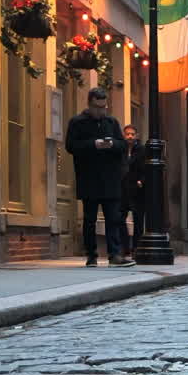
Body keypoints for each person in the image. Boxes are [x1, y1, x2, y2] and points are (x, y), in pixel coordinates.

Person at [65, 88, 133, 267]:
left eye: (104, 107)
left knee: (113, 218)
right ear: (89, 104)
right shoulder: (77, 122)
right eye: (97, 107)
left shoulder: (111, 122)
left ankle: (114, 255)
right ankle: (91, 255)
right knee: (90, 219)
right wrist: (93, 145)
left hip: (110, 178)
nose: (101, 111)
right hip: (89, 177)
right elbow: (71, 146)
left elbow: (122, 145)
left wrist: (111, 145)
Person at [120, 125, 146, 255]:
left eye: (132, 134)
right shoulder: (121, 149)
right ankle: (125, 247)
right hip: (123, 188)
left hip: (137, 189)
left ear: (136, 135)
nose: (130, 136)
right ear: (123, 135)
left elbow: (146, 168)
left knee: (138, 219)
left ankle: (136, 247)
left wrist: (142, 181)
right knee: (120, 218)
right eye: (127, 134)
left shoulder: (142, 150)